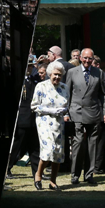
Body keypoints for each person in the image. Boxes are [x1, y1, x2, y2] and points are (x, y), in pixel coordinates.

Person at [64, 48, 105, 185]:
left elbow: (104, 95)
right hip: (76, 112)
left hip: (93, 113)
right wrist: (66, 112)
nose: (87, 61)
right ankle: (75, 175)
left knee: (93, 145)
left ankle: (89, 174)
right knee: (78, 144)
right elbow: (67, 94)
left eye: (90, 58)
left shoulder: (99, 73)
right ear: (80, 58)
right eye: (85, 58)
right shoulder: (72, 72)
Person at [31, 61, 70, 191]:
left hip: (59, 122)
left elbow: (67, 105)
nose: (57, 77)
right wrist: (50, 110)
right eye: (55, 74)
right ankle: (38, 174)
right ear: (49, 74)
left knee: (57, 152)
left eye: (59, 75)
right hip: (44, 121)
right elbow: (34, 106)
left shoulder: (64, 88)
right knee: (48, 150)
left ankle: (53, 181)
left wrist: (64, 111)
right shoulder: (41, 86)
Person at [8, 57, 42, 180]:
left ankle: (37, 173)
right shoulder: (17, 80)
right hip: (21, 118)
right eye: (28, 65)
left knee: (34, 148)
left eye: (31, 66)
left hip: (33, 119)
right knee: (16, 146)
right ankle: (7, 168)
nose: (29, 68)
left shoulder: (35, 80)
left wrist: (40, 65)